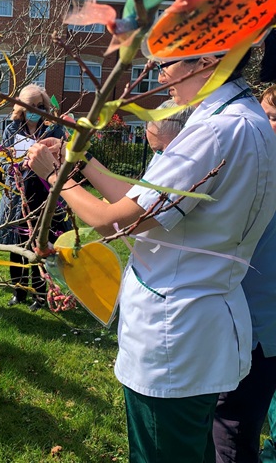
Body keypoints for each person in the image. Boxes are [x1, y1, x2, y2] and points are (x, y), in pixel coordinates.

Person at [27, 49, 276, 462]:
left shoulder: (214, 132)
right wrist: (80, 162)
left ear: (206, 62)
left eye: (167, 65)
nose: (161, 79)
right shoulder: (249, 121)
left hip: (173, 338)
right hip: (204, 328)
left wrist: (53, 177)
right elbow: (138, 204)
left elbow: (111, 222)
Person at [213, 83, 276, 463]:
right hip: (244, 324)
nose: (267, 127)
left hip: (256, 330)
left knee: (232, 434)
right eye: (266, 116)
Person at [0, 84, 72, 311]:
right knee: (16, 246)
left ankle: (40, 294)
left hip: (44, 195)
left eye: (39, 106)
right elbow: (4, 158)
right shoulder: (11, 129)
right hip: (18, 196)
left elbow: (60, 159)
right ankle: (19, 292)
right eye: (30, 106)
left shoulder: (54, 130)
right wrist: (12, 163)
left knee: (41, 246)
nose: (34, 110)